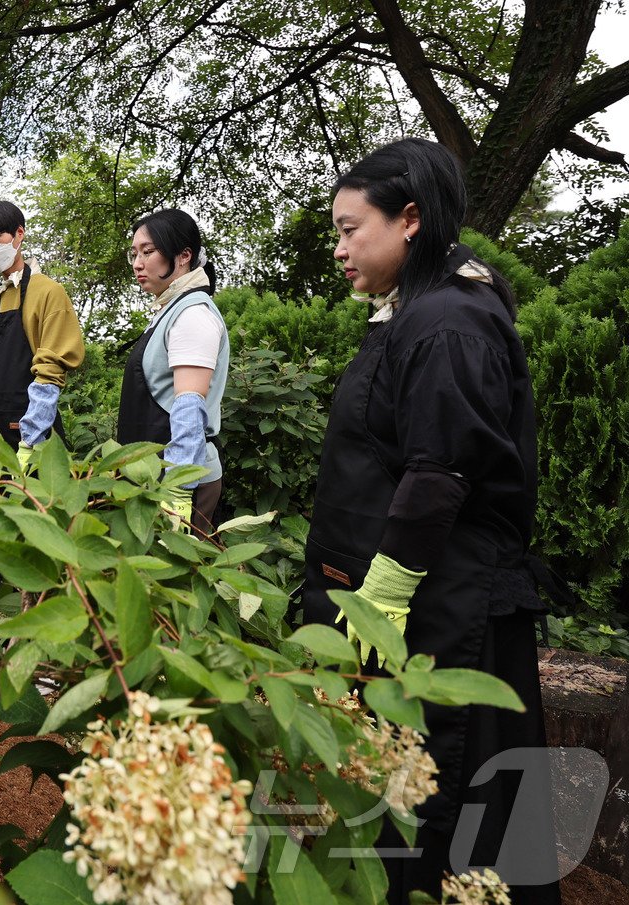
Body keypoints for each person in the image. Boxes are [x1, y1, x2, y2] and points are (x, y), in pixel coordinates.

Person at [301, 138, 557, 904]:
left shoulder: (450, 320)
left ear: (409, 219)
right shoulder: (415, 310)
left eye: (351, 229)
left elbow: (440, 470)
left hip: (448, 616)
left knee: (446, 821)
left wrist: (383, 591)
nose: (339, 248)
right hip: (414, 611)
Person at [117, 209, 229, 535]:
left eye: (148, 252)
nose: (137, 263)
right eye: (134, 254)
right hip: (152, 474)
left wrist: (177, 489)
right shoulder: (169, 310)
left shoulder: (193, 314)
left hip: (178, 481)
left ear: (183, 256)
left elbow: (189, 407)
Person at [0, 200, 85, 468]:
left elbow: (50, 373)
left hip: (36, 440)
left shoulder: (49, 292)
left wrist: (30, 441)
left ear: (19, 234)